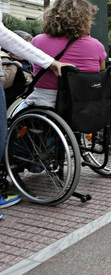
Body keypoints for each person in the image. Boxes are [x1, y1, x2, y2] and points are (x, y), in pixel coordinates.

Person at [0, 12, 71, 218]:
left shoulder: (40, 40)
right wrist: (51, 63)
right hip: (71, 108)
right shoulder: (95, 46)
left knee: (19, 120)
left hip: (39, 104)